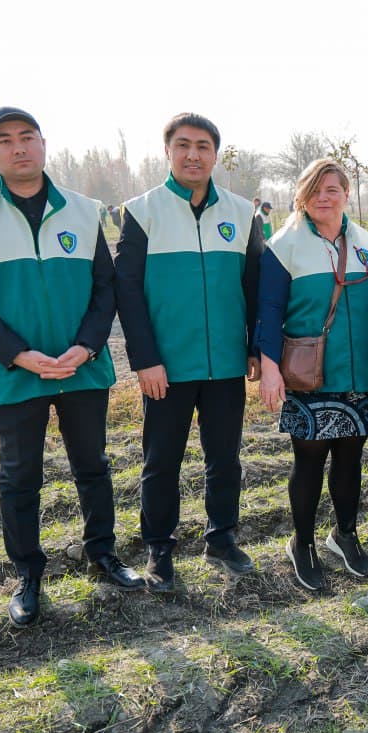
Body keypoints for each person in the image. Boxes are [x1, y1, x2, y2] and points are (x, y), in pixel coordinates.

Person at [0, 106, 142, 627]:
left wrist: (88, 345)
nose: (19, 147)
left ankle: (103, 554)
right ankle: (29, 574)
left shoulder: (83, 210)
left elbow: (106, 287)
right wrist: (16, 353)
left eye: (27, 137)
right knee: (19, 476)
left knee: (93, 465)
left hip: (82, 367)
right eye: (5, 140)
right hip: (14, 373)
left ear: (43, 143)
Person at [115, 112, 263, 592]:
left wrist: (256, 348)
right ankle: (160, 547)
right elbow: (128, 293)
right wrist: (145, 359)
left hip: (225, 364)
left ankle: (222, 537)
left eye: (203, 146)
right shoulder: (142, 210)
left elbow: (255, 288)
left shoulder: (243, 214)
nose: (193, 154)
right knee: (162, 461)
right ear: (168, 152)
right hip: (166, 367)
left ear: (216, 154)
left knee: (225, 458)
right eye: (183, 145)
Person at [256, 160, 368, 591]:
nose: (323, 197)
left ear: (347, 193)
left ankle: (344, 534)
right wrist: (269, 368)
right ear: (301, 195)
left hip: (360, 374)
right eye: (314, 189)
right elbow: (268, 311)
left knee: (351, 458)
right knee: (309, 460)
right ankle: (303, 543)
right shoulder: (283, 245)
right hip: (307, 377)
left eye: (332, 189)